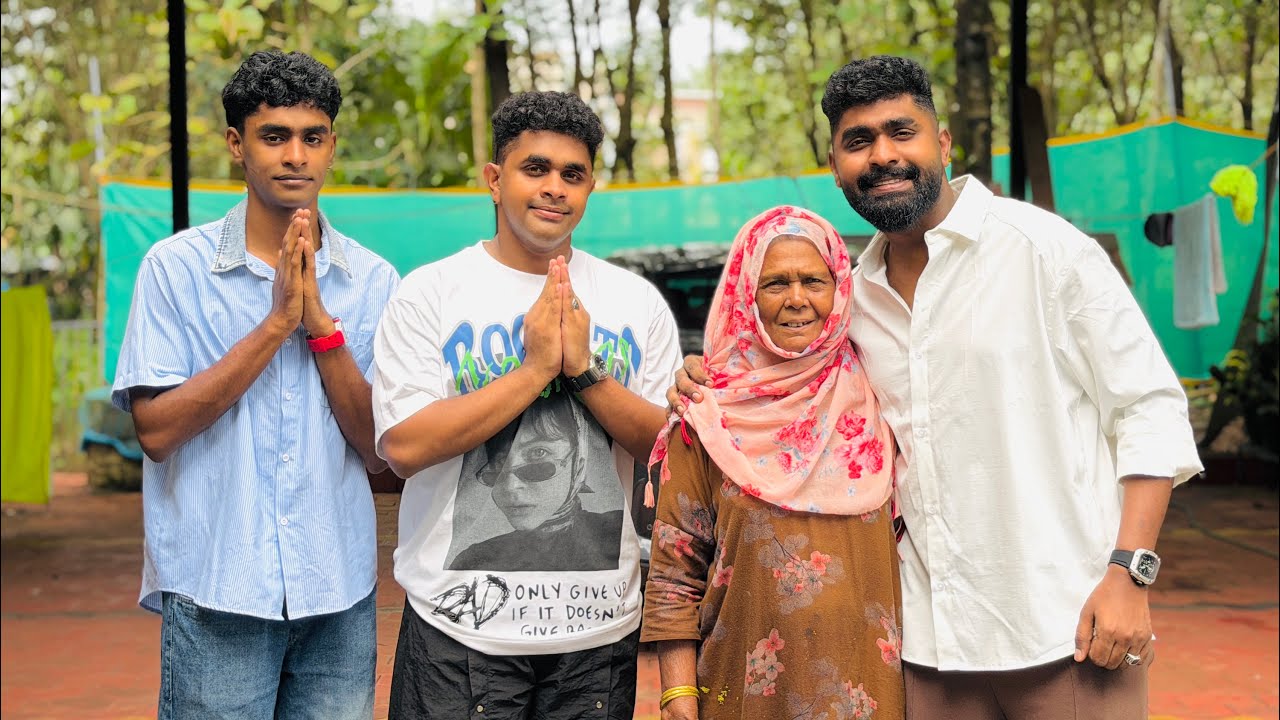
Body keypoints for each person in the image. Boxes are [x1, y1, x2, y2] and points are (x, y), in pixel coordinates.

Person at [670, 56, 1202, 719]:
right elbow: (778, 386)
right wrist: (703, 382)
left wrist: (1130, 573)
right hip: (927, 656)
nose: (882, 155)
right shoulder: (849, 302)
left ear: (942, 143)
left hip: (1068, 631)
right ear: (835, 166)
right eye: (858, 141)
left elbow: (1148, 408)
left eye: (902, 131)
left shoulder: (1043, 251)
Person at [372, 90, 682, 719]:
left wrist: (585, 372)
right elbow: (403, 446)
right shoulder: (430, 293)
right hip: (459, 629)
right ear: (494, 179)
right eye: (534, 168)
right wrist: (536, 369)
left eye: (573, 174)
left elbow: (670, 449)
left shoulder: (634, 301)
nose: (554, 189)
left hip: (598, 631)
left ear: (589, 186)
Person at [111, 50, 399, 718]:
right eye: (274, 136)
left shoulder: (372, 281)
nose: (295, 155)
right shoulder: (174, 270)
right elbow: (155, 432)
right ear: (237, 146)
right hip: (217, 588)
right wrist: (274, 326)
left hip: (337, 593)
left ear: (332, 147)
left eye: (312, 137)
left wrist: (321, 329)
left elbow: (380, 453)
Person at [642, 205, 904, 720]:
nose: (797, 299)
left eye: (814, 280)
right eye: (775, 283)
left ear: (840, 290)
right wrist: (677, 698)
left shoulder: (881, 391)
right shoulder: (707, 417)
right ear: (746, 295)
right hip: (739, 698)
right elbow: (674, 576)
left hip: (874, 695)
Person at [449, 391, 622, 571]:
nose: (511, 486)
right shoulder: (474, 559)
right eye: (498, 464)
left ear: (578, 465)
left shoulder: (617, 532)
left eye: (538, 453)